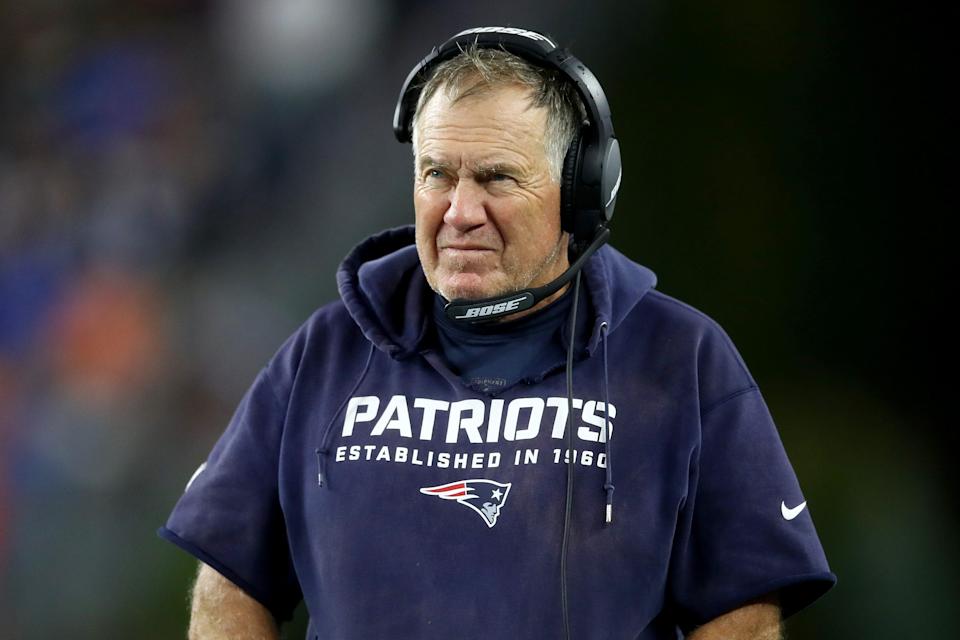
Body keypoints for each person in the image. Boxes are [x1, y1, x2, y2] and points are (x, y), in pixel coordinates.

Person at [160, 27, 835, 639]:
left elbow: (742, 612)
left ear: (580, 194)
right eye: (437, 176)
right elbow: (230, 574)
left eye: (496, 178)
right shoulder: (324, 353)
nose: (460, 212)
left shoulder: (681, 358)